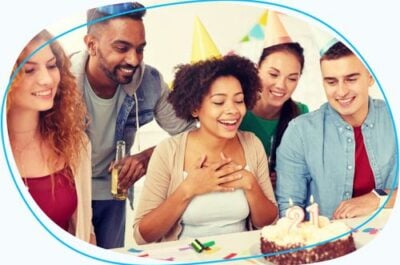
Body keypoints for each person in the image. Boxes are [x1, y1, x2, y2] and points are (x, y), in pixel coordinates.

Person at [70, 2, 194, 248]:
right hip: (68, 193)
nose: (134, 59)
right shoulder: (60, 79)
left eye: (140, 49)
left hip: (113, 195)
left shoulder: (150, 81)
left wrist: (148, 157)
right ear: (91, 45)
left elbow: (190, 133)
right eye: (122, 47)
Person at [133, 55, 278, 244]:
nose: (233, 110)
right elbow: (142, 236)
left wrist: (250, 184)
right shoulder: (168, 151)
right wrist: (188, 189)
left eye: (239, 100)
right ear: (194, 107)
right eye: (219, 102)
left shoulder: (252, 144)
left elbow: (269, 223)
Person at [275, 41, 397, 219]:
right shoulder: (299, 132)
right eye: (331, 82)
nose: (341, 92)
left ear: (370, 77)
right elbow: (289, 208)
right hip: (328, 243)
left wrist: (377, 198)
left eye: (351, 79)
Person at [7, 30, 95, 243]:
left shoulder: (76, 145)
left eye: (51, 65)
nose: (46, 79)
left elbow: (85, 230)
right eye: (28, 70)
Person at [239, 11, 308, 189]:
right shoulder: (236, 113)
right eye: (273, 74)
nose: (281, 85)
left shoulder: (301, 115)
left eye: (292, 78)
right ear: (257, 69)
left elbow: (307, 169)